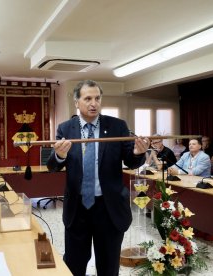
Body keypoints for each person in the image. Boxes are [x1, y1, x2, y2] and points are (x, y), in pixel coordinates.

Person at [47, 80, 149, 276]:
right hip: (78, 209)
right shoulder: (65, 128)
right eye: (87, 99)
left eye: (97, 98)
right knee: (74, 264)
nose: (93, 103)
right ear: (77, 102)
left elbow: (131, 161)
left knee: (108, 266)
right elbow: (53, 166)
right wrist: (60, 155)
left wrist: (137, 152)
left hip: (108, 209)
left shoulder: (117, 126)